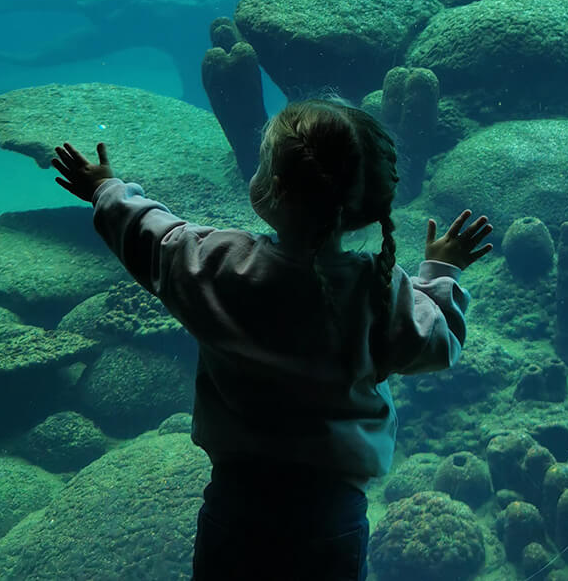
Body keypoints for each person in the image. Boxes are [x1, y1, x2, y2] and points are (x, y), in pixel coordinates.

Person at [51, 98, 492, 581]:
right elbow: (438, 341)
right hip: (332, 518)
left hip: (237, 508)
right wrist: (440, 272)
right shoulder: (378, 289)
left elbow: (149, 236)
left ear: (274, 189)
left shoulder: (219, 265)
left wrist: (106, 189)